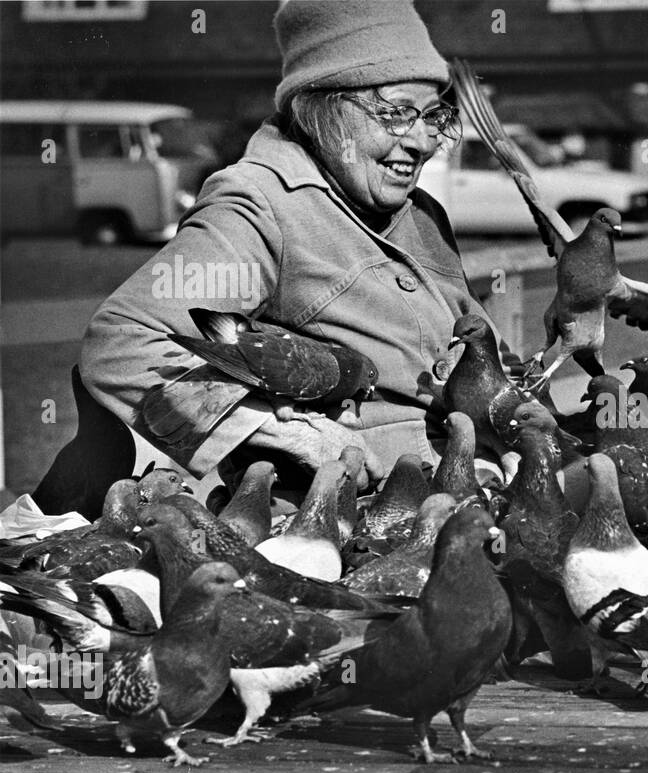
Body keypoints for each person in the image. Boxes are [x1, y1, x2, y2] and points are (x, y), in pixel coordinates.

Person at [79, 0, 518, 496]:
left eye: (432, 115)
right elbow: (122, 342)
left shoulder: (421, 212)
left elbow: (478, 354)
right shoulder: (262, 206)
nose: (422, 141)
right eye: (397, 114)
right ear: (324, 110)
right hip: (355, 522)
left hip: (473, 483)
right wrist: (285, 434)